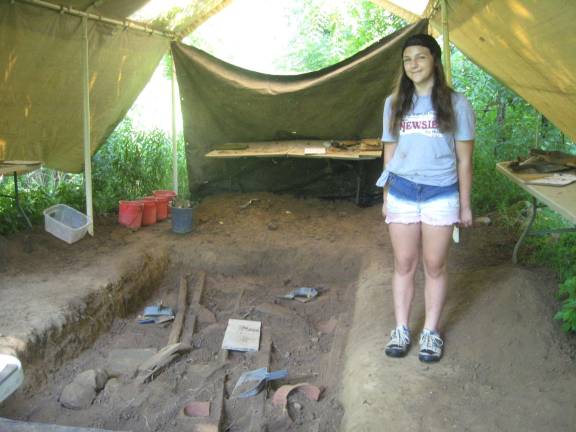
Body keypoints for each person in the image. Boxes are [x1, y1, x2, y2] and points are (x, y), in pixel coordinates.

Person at [376, 33, 475, 362]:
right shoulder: (394, 103)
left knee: (435, 265)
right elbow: (389, 154)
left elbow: (464, 159)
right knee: (404, 263)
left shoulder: (456, 103)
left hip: (441, 194)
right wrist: (387, 196)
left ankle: (431, 332)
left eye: (420, 57)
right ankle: (401, 329)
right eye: (407, 59)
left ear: (434, 60)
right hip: (403, 191)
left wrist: (465, 204)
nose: (413, 64)